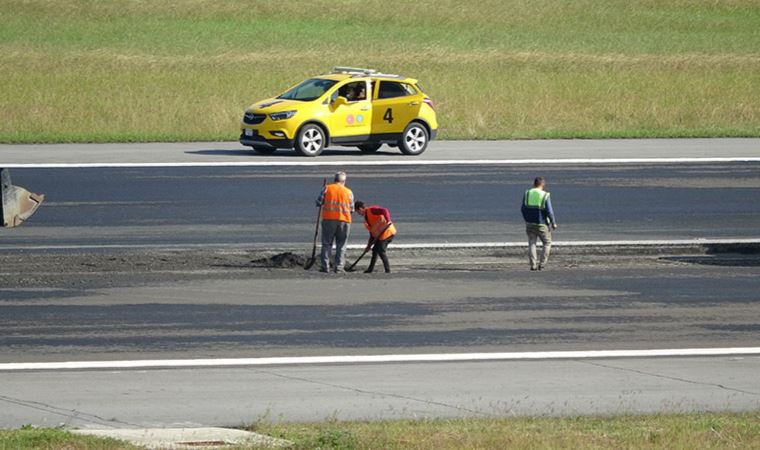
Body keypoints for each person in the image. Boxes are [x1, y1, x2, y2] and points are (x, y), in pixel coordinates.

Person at [316, 172, 354, 272]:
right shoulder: (348, 192)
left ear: (334, 179)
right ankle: (339, 267)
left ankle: (325, 266)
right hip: (344, 220)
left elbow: (319, 202)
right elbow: (352, 209)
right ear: (344, 181)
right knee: (341, 245)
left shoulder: (327, 188)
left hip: (329, 219)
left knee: (327, 243)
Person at [521, 177, 558, 271]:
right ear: (543, 184)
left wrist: (526, 219)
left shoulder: (527, 193)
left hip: (529, 223)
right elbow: (549, 211)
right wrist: (553, 223)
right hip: (542, 224)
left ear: (534, 184)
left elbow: (523, 208)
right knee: (547, 243)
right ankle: (542, 264)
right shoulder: (545, 195)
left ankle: (533, 265)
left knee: (532, 243)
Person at [354, 201, 396, 273]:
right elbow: (372, 234)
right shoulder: (367, 220)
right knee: (375, 250)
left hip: (388, 232)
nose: (358, 214)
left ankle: (387, 270)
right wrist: (368, 246)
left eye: (358, 212)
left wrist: (388, 220)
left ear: (360, 209)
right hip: (381, 235)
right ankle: (370, 269)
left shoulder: (372, 210)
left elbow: (384, 210)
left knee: (381, 251)